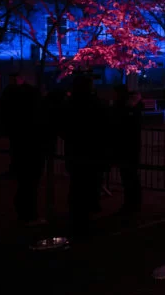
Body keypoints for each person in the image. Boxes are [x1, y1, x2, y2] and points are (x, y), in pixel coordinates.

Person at [60, 72, 106, 238]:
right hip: (91, 151)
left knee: (77, 185)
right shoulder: (94, 103)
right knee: (89, 185)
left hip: (75, 150)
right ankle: (84, 222)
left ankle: (77, 218)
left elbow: (63, 126)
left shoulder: (70, 103)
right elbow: (103, 124)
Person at [0, 74, 45, 224]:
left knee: (25, 182)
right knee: (29, 182)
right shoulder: (33, 122)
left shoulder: (15, 117)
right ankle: (28, 214)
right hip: (30, 149)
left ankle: (24, 212)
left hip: (21, 146)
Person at [111, 83, 143, 213]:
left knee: (129, 176)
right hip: (130, 145)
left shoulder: (124, 108)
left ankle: (132, 203)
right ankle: (132, 203)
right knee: (130, 176)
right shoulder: (131, 106)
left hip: (126, 145)